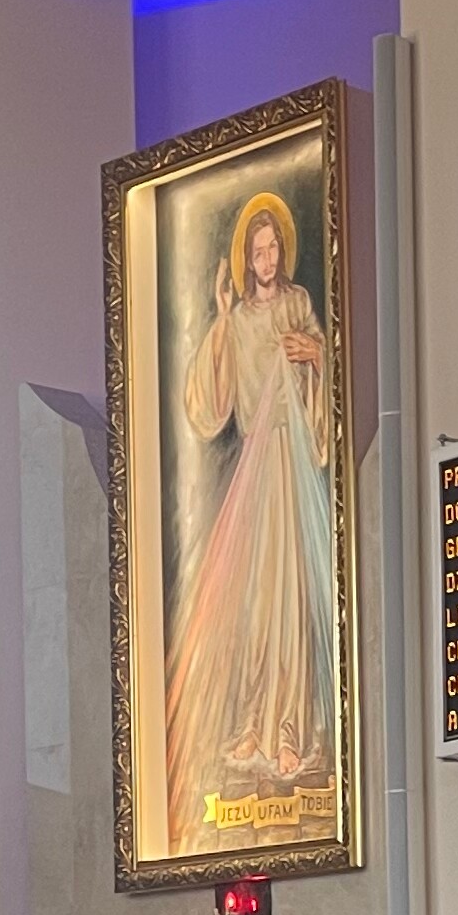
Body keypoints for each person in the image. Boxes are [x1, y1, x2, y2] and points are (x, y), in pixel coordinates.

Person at [152, 190, 345, 858]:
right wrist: (218, 317)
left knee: (290, 599)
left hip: (291, 466)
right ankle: (256, 727)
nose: (266, 259)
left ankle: (290, 731)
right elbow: (209, 403)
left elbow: (323, 371)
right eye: (256, 250)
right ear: (245, 259)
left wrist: (316, 358)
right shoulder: (237, 320)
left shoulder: (297, 304)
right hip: (256, 474)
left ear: (282, 252)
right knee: (258, 605)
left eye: (273, 248)